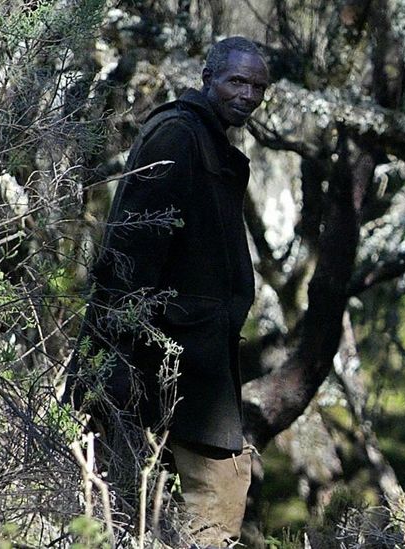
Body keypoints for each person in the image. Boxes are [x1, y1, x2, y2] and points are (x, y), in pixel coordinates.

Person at [67, 36, 271, 547]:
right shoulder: (179, 135)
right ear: (208, 78)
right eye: (236, 81)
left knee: (214, 497)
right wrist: (115, 352)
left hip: (194, 355)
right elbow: (131, 248)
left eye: (258, 87)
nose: (247, 95)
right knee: (133, 504)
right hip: (154, 353)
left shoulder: (211, 140)